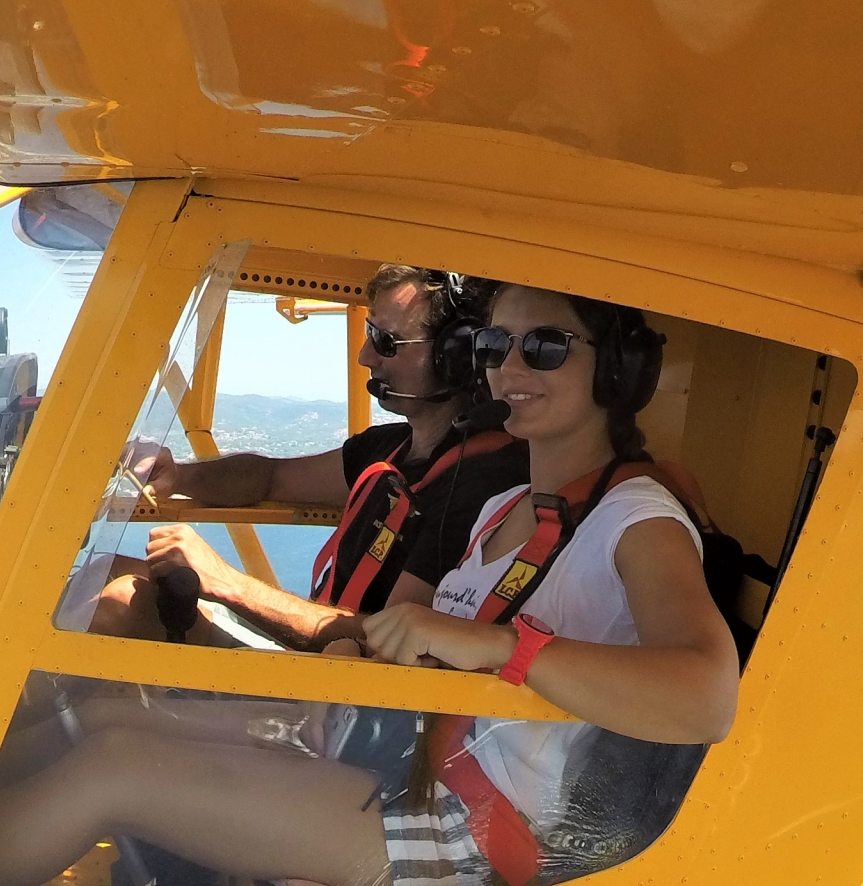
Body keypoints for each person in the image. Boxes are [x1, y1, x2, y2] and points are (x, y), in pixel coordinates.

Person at [0, 284, 739, 886]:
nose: (509, 368)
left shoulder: (637, 518)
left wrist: (507, 648)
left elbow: (707, 698)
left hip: (473, 833)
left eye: (544, 347)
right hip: (407, 761)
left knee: (112, 768)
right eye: (493, 347)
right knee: (100, 719)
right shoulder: (504, 506)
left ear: (618, 374)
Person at [86, 265, 531, 651]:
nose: (365, 356)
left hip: (347, 692)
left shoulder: (481, 484)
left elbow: (393, 642)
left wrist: (225, 581)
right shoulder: (389, 448)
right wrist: (180, 475)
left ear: (456, 357)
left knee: (121, 605)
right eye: (368, 334)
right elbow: (268, 478)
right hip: (316, 647)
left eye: (386, 341)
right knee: (103, 574)